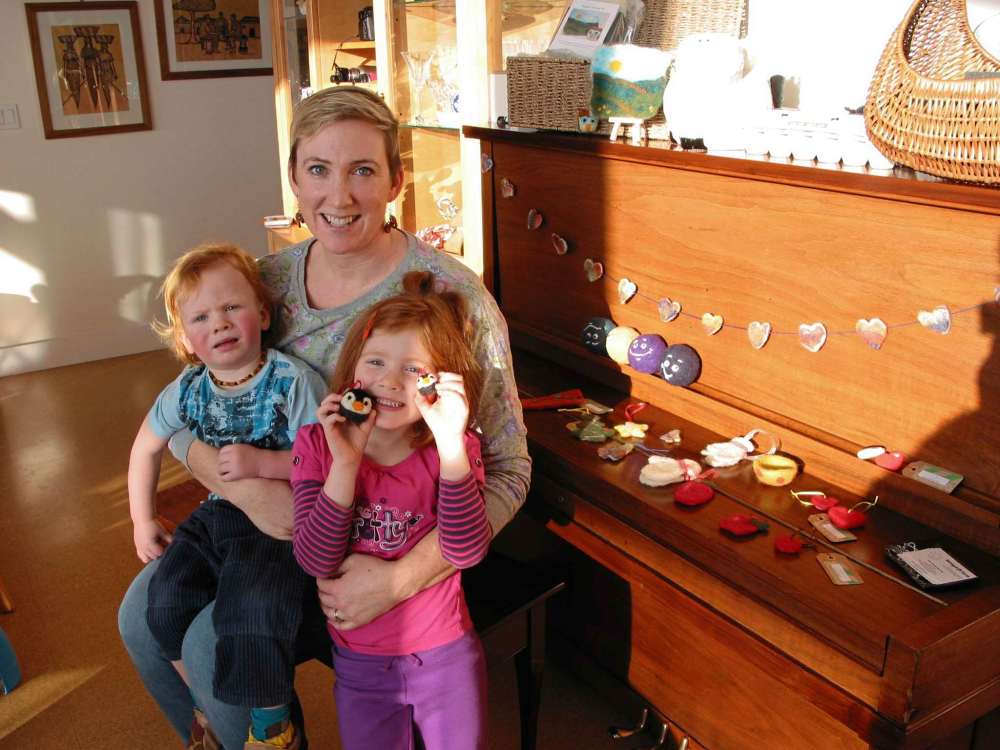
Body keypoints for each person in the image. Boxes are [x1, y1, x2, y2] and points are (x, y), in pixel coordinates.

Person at [118, 85, 530, 750]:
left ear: (396, 179)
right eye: (318, 170)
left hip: (374, 551)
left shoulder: (454, 297)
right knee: (138, 618)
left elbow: (509, 468)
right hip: (269, 526)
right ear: (293, 178)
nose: (338, 198)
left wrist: (398, 580)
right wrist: (242, 487)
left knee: (210, 647)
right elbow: (193, 404)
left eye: (363, 171)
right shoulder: (261, 281)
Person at [127, 243, 325, 749]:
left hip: (272, 529)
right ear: (187, 340)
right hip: (216, 516)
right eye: (201, 316)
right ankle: (204, 705)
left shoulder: (290, 381)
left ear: (261, 314)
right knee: (163, 601)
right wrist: (141, 519)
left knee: (251, 610)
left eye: (232, 307)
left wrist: (266, 464)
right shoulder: (189, 387)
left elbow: (324, 460)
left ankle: (272, 725)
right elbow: (146, 446)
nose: (219, 323)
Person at [293, 271, 491, 749]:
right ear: (353, 370)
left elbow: (466, 550)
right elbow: (314, 559)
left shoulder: (452, 448)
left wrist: (449, 445)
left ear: (439, 383)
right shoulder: (318, 445)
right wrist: (346, 462)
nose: (388, 380)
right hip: (360, 664)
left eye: (413, 370)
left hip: (446, 658)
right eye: (376, 361)